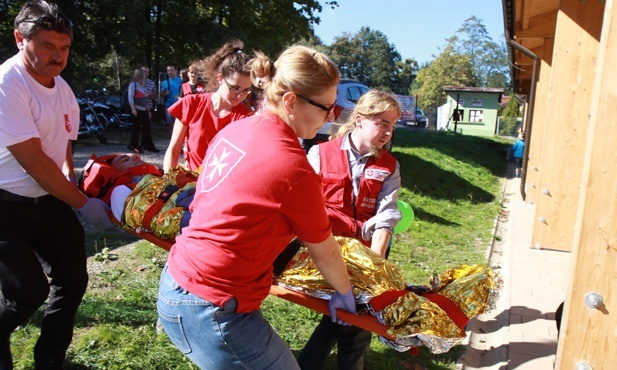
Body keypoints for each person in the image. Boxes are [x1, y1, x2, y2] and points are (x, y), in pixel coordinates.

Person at [157, 45, 356, 370]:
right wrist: (344, 291)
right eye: (327, 108)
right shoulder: (294, 168)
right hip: (213, 305)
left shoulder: (235, 129)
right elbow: (326, 253)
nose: (331, 118)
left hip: (177, 280)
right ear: (290, 101)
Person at [0, 1, 111, 368]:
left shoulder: (62, 88)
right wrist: (81, 203)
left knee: (73, 280)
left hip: (48, 201)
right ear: (20, 39)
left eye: (64, 48)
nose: (57, 56)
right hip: (5, 206)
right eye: (47, 46)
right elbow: (32, 161)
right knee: (27, 293)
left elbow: (64, 143)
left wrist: (70, 178)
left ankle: (50, 360)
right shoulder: (7, 83)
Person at [297, 90, 403, 370]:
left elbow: (387, 215)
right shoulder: (319, 153)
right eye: (382, 123)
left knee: (355, 318)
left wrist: (372, 267)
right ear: (359, 120)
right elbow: (305, 207)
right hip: (326, 249)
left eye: (392, 126)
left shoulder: (390, 165)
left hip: (370, 250)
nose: (388, 132)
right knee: (347, 316)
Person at [163, 39, 253, 171]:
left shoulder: (246, 118)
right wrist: (168, 184)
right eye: (235, 88)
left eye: (246, 90)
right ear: (220, 78)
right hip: (191, 184)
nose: (239, 96)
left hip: (222, 187)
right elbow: (173, 151)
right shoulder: (191, 104)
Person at [127, 68, 159, 153]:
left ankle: (147, 144)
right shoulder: (133, 84)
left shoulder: (142, 86)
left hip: (144, 109)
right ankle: (134, 144)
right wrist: (133, 108)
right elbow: (130, 97)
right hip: (137, 108)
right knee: (136, 128)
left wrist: (148, 111)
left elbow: (145, 100)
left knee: (147, 127)